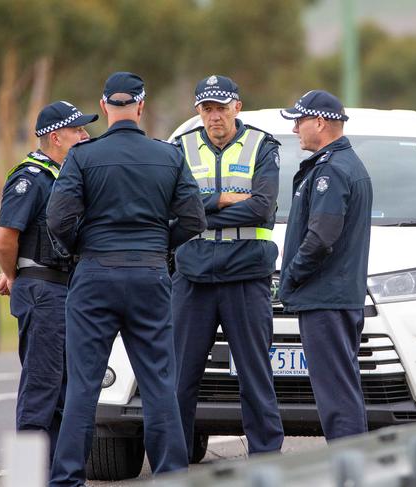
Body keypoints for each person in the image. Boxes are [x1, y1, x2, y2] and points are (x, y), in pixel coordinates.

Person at [46, 72, 205, 486]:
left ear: (103, 108)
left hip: (95, 274)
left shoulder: (82, 156)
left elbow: (58, 218)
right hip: (150, 274)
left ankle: (66, 479)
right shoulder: (168, 157)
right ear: (141, 106)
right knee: (158, 384)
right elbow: (193, 219)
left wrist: (80, 249)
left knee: (83, 386)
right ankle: (172, 476)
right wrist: (158, 246)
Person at [172, 74, 284, 460]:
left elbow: (262, 207)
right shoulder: (180, 148)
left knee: (255, 376)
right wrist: (224, 199)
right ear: (198, 111)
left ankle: (266, 460)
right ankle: (176, 458)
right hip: (192, 278)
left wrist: (199, 209)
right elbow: (172, 211)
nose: (214, 116)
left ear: (237, 106)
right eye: (207, 108)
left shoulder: (262, 146)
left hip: (246, 276)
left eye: (221, 107)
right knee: (180, 379)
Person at [0, 100, 98, 463]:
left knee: (65, 392)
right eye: (78, 130)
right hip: (43, 289)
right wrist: (12, 274)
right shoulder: (31, 177)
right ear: (56, 137)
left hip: (65, 288)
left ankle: (56, 475)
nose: (85, 136)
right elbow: (5, 237)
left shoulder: (65, 174)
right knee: (42, 389)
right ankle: (26, 478)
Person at [279, 90, 373, 440]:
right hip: (334, 297)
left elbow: (321, 238)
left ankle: (349, 471)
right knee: (343, 392)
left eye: (298, 122)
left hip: (326, 299)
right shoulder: (340, 164)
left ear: (319, 122)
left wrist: (290, 278)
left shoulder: (331, 171)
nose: (294, 131)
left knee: (335, 398)